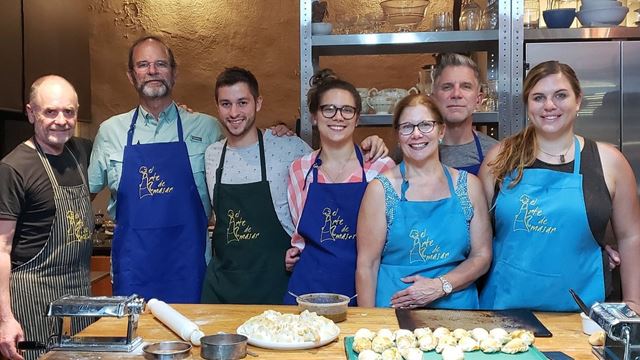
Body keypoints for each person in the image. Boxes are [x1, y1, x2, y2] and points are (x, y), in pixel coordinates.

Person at [201, 67, 388, 304]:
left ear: (258, 103)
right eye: (226, 104)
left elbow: (335, 154)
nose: (234, 112)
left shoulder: (289, 148)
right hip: (225, 284)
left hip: (275, 282)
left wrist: (370, 144)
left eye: (242, 102)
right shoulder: (211, 155)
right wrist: (298, 248)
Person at [478, 61, 640, 312]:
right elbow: (476, 235)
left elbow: (631, 236)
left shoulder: (610, 162)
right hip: (504, 309)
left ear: (578, 100)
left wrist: (633, 303)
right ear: (528, 105)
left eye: (560, 95)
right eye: (538, 97)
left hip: (585, 314)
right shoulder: (499, 158)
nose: (549, 106)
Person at [88, 36, 224, 303]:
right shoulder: (110, 131)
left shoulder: (206, 129)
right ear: (131, 75)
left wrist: (279, 133)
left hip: (191, 269)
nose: (152, 71)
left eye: (161, 64)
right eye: (143, 64)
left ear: (174, 73)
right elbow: (83, 198)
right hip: (133, 271)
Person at [356, 93, 492, 309]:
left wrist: (441, 285)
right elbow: (367, 266)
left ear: (441, 130)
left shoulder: (469, 186)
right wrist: (367, 324)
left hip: (458, 315)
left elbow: (482, 255)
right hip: (393, 316)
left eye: (425, 125)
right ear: (398, 136)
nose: (416, 134)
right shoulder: (380, 190)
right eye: (407, 127)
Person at [282, 69, 395, 305]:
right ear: (314, 116)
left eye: (347, 110)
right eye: (328, 109)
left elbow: (394, 237)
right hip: (306, 291)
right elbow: (299, 232)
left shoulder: (380, 169)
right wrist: (294, 252)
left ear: (357, 118)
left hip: (362, 289)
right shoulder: (298, 170)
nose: (338, 117)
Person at [0, 75, 93, 360]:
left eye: (69, 112)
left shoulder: (81, 151)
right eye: (50, 111)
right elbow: (1, 249)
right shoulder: (14, 167)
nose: (61, 120)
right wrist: (5, 319)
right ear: (31, 113)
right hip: (34, 299)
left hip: (79, 296)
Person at [430, 53, 498, 175]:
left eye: (466, 87)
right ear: (434, 99)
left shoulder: (496, 153)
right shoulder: (415, 149)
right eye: (447, 87)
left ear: (478, 100)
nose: (456, 94)